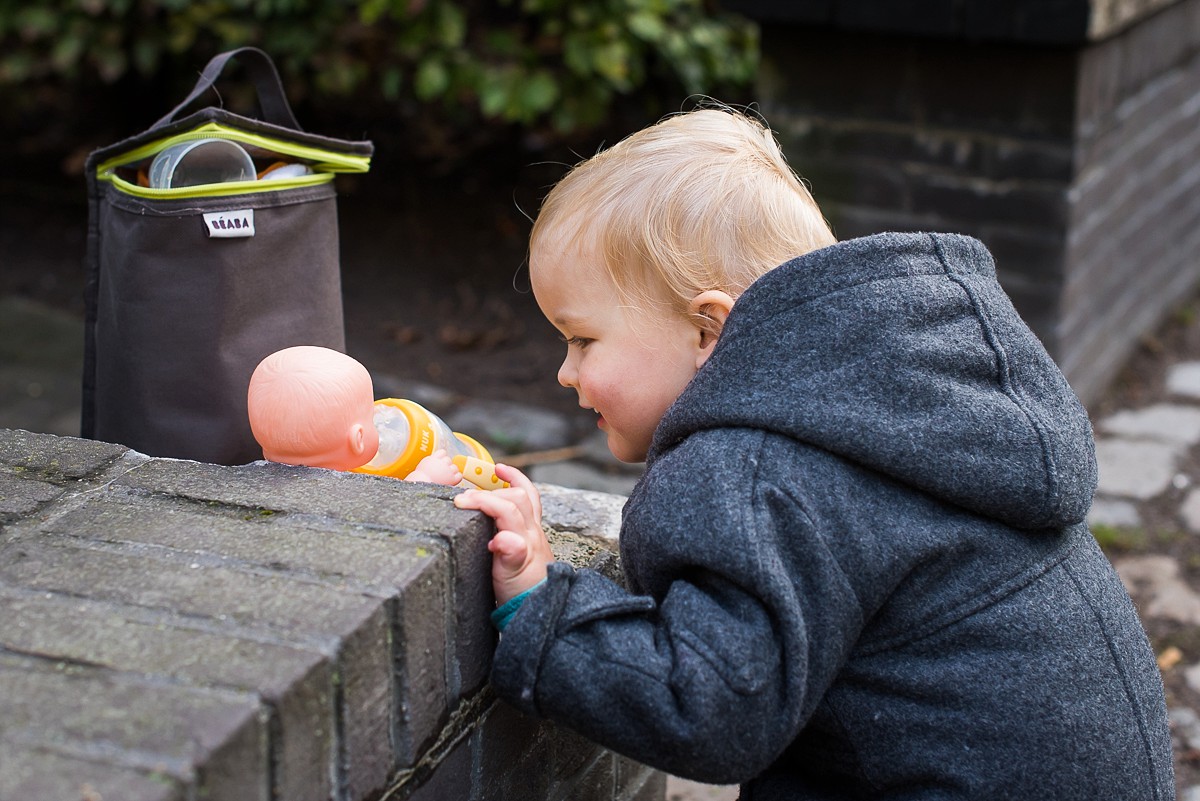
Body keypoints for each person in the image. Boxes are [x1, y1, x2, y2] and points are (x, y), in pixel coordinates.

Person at [453, 106, 1174, 798]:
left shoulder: (757, 472)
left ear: (708, 332)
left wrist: (545, 609)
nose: (565, 372)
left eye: (582, 338)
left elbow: (707, 704)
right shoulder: (899, 410)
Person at [247, 345, 463, 485]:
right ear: (358, 439)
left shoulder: (255, 481)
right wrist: (424, 478)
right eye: (371, 416)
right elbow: (392, 513)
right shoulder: (340, 491)